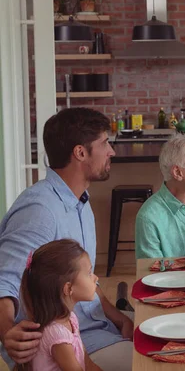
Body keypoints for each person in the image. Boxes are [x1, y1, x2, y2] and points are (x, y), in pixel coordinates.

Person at [0, 108, 133, 370]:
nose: (112, 151)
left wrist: (120, 319)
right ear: (80, 152)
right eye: (105, 143)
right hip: (65, 347)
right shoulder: (40, 210)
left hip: (92, 327)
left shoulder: (79, 201)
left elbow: (86, 277)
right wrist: (7, 332)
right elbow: (4, 280)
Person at [20, 240, 102, 370]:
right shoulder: (57, 334)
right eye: (89, 273)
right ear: (68, 288)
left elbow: (86, 361)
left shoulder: (70, 318)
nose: (95, 278)